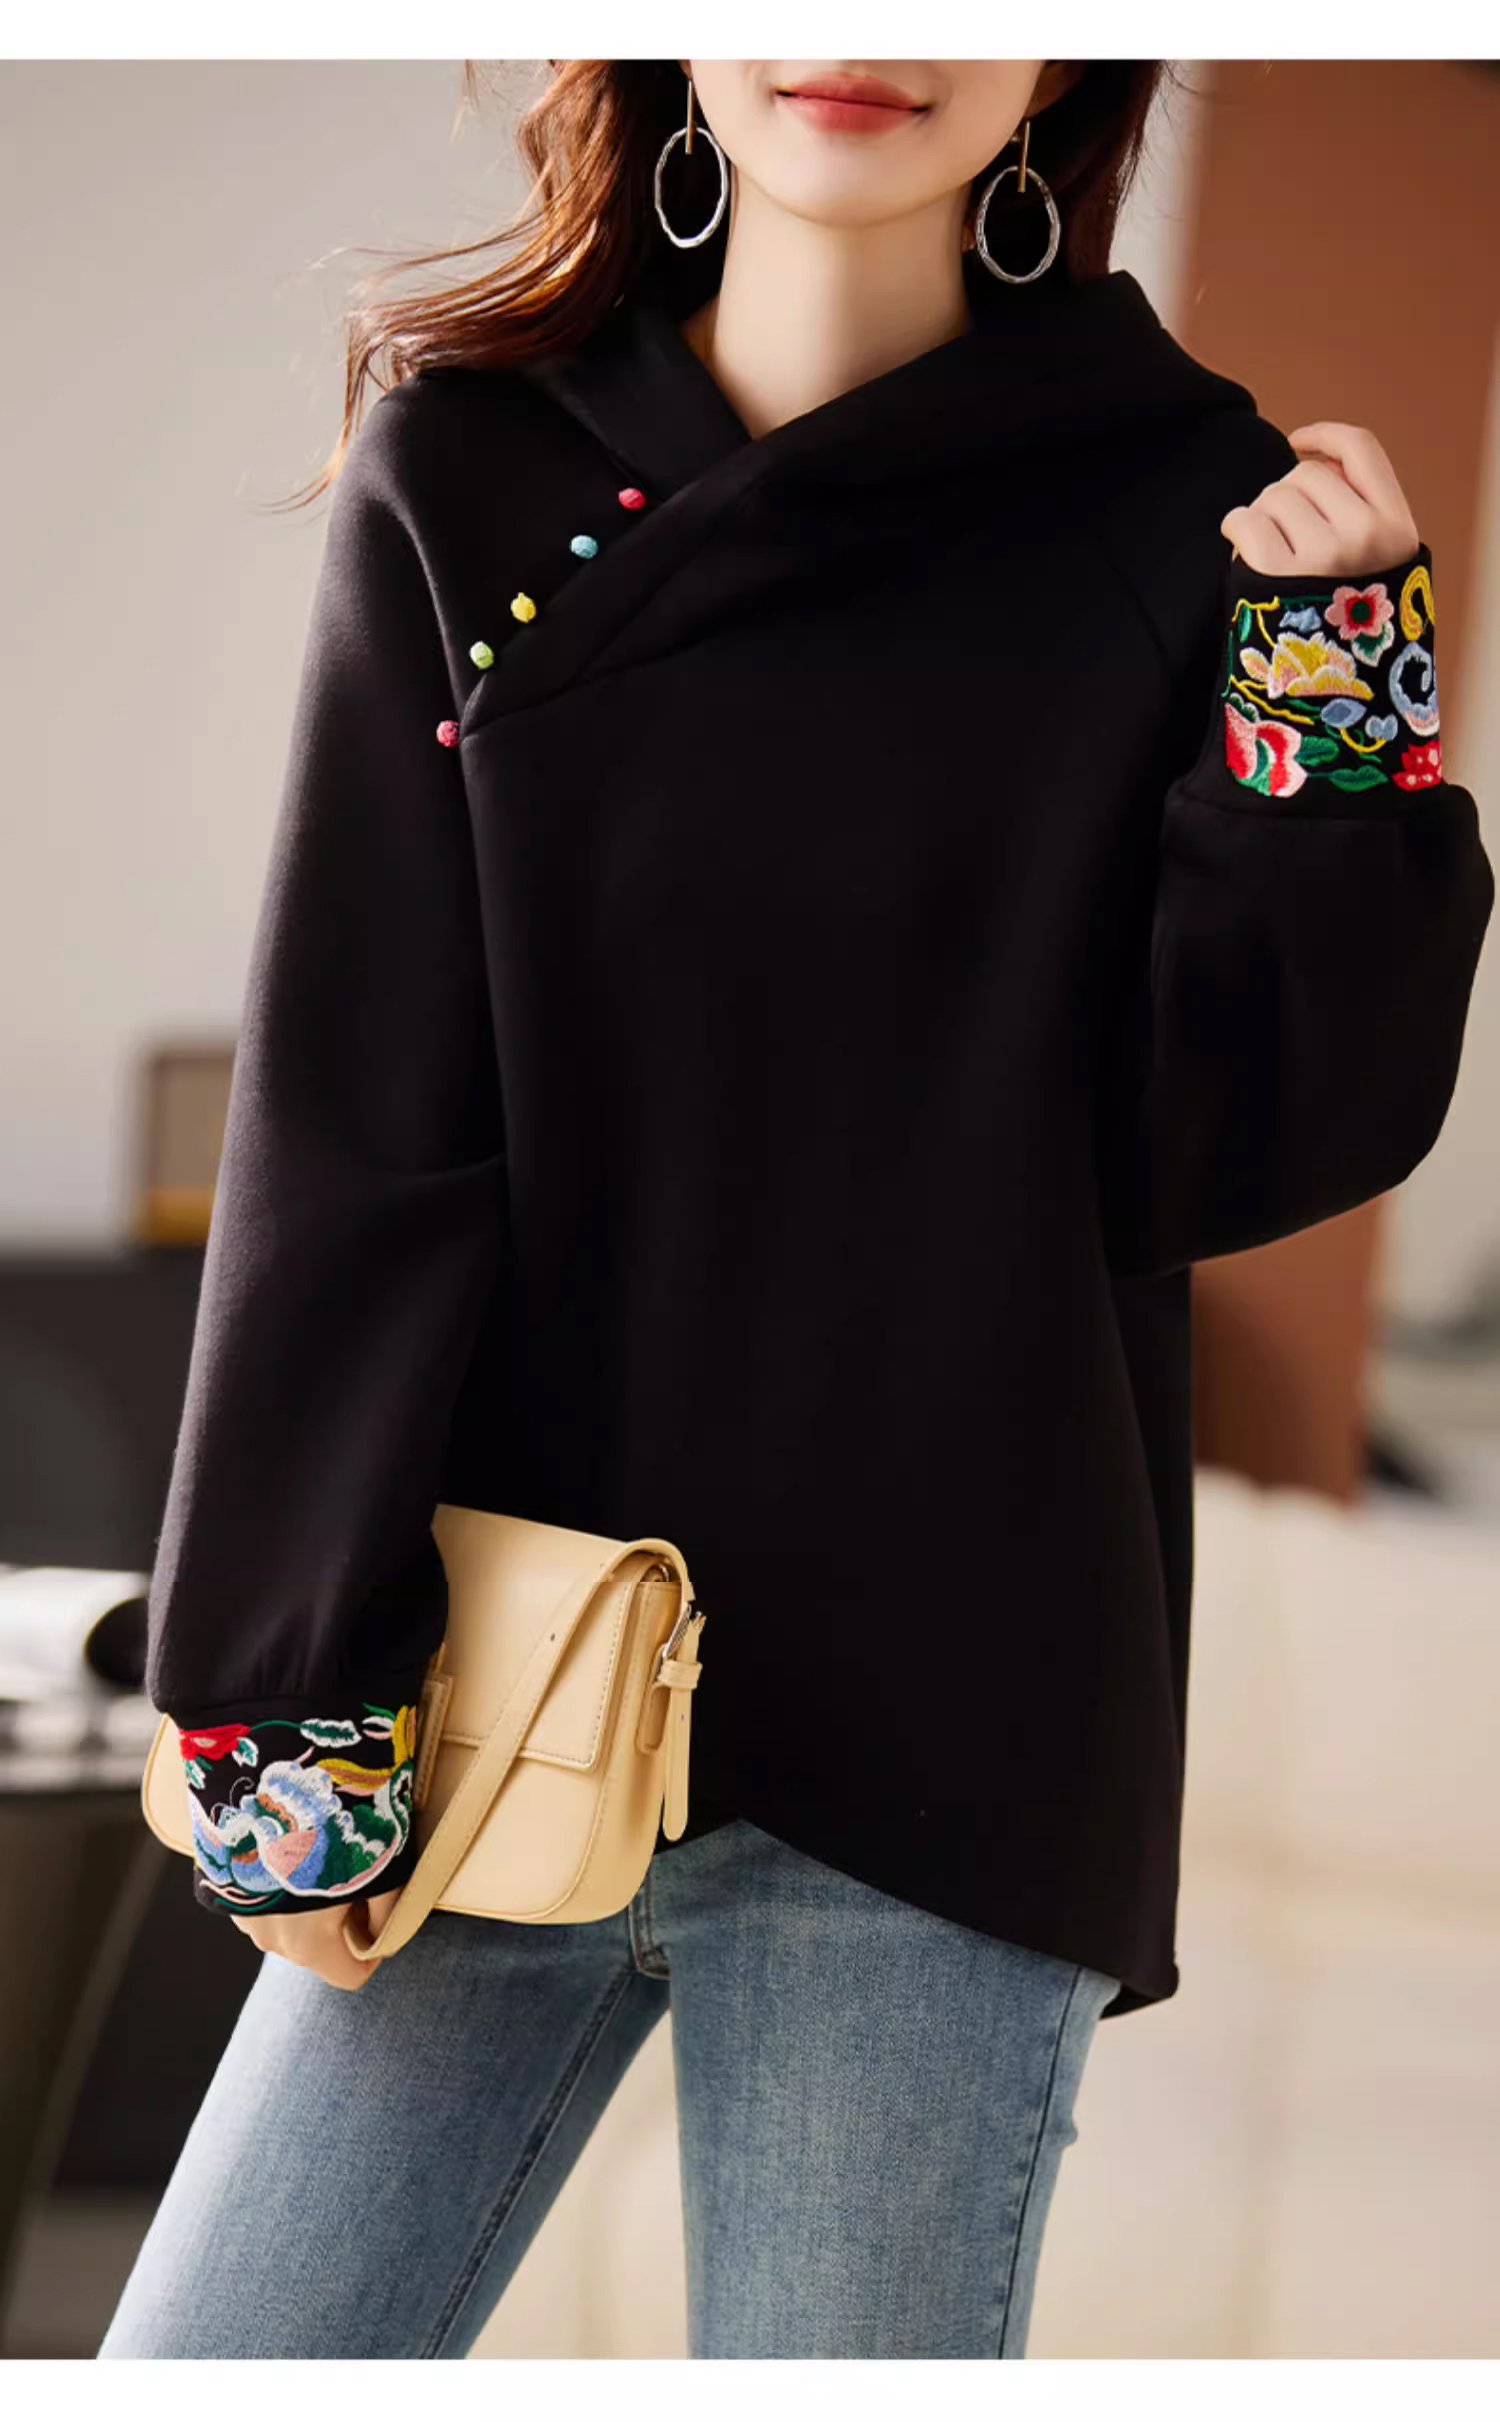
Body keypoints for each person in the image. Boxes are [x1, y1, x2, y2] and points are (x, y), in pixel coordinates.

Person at [99, 58, 1492, 2360]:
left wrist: (1338, 724)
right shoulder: (474, 477)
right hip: (490, 1687)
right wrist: (284, 1669)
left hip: (954, 1744)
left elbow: (1236, 1157)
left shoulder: (1197, 507)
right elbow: (351, 1139)